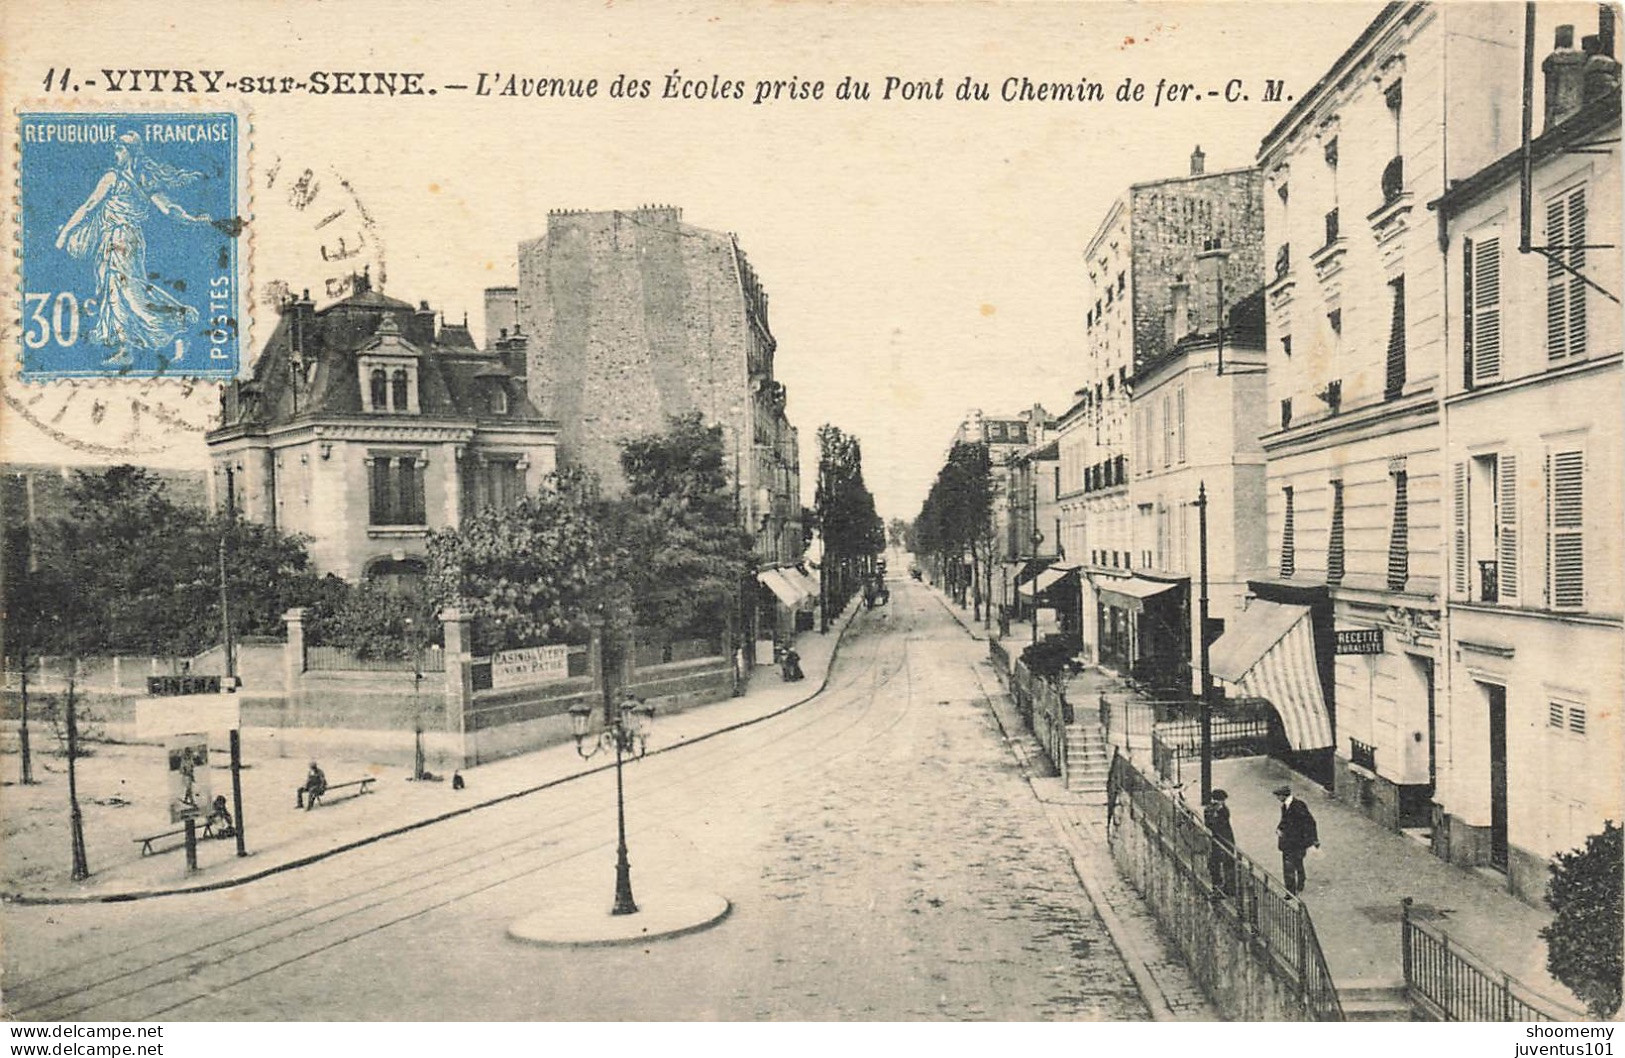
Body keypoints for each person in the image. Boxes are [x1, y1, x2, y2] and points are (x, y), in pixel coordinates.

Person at [54, 132, 214, 366]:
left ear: (129, 152)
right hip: (131, 240)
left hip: (119, 239)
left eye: (119, 149)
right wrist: (192, 219)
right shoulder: (144, 180)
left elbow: (88, 206)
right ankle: (160, 336)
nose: (115, 154)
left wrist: (65, 233)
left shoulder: (113, 177)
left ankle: (168, 327)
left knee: (124, 292)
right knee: (131, 290)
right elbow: (169, 208)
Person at [1275, 784, 1320, 895]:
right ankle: (1300, 882)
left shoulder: (1298, 806)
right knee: (1297, 863)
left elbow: (1310, 822)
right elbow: (1284, 821)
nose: (1277, 798)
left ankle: (1290, 892)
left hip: (1296, 842)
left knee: (1289, 866)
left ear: (1283, 796)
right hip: (1289, 842)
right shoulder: (1285, 806)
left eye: (1278, 796)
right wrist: (1279, 828)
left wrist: (1313, 839)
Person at [1205, 789, 1236, 896]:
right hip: (1218, 839)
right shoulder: (1210, 809)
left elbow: (1224, 820)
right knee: (1216, 862)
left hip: (1226, 839)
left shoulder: (1223, 809)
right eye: (1221, 801)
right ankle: (1217, 884)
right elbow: (1209, 824)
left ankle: (1229, 887)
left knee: (1228, 862)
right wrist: (1215, 813)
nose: (1222, 803)